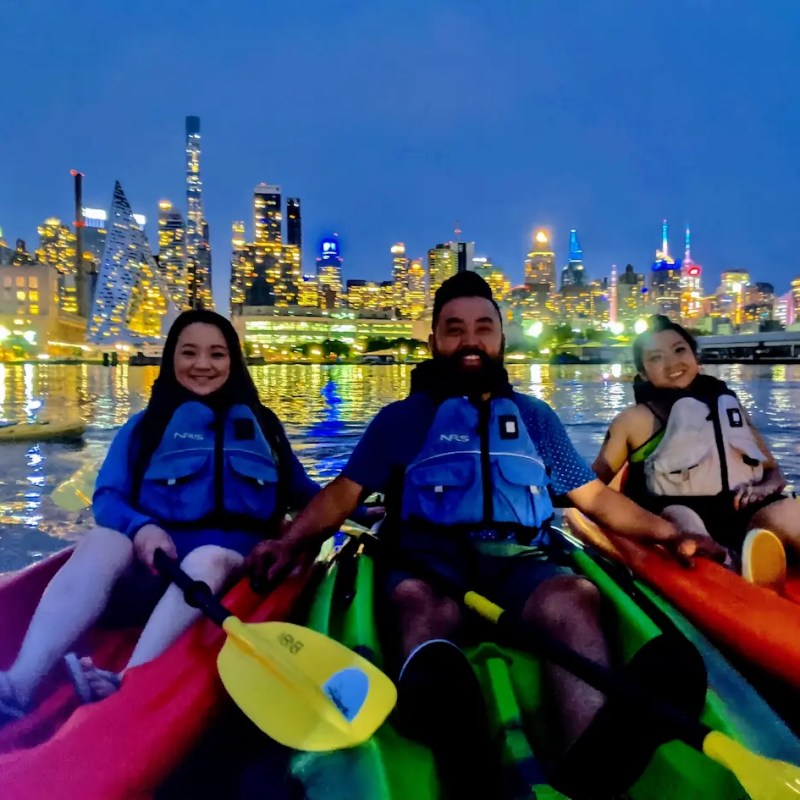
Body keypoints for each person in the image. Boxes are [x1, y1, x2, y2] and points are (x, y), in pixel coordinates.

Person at [248, 272, 723, 798]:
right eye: (454, 330)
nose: (470, 341)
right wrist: (290, 545)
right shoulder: (402, 419)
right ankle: (454, 734)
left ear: (501, 338)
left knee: (574, 597)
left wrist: (671, 534)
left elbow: (595, 498)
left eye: (482, 328)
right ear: (433, 343)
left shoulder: (535, 419)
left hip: (520, 560)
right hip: (431, 562)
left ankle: (591, 763)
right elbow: (342, 497)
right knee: (417, 602)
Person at [0, 309, 320, 720]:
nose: (202, 364)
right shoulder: (144, 427)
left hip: (222, 577)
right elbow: (109, 498)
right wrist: (143, 528)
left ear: (233, 362)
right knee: (102, 539)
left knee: (209, 555)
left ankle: (129, 681)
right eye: (189, 353)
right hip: (153, 572)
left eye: (217, 354)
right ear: (171, 359)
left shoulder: (265, 428)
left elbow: (304, 494)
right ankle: (19, 684)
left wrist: (360, 502)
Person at [593, 314, 800, 589]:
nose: (673, 363)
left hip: (743, 512)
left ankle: (756, 554)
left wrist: (765, 488)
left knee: (787, 511)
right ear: (643, 372)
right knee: (682, 520)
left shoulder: (730, 407)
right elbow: (594, 487)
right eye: (656, 358)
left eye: (680, 350)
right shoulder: (634, 420)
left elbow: (772, 470)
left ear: (695, 356)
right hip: (680, 517)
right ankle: (726, 567)